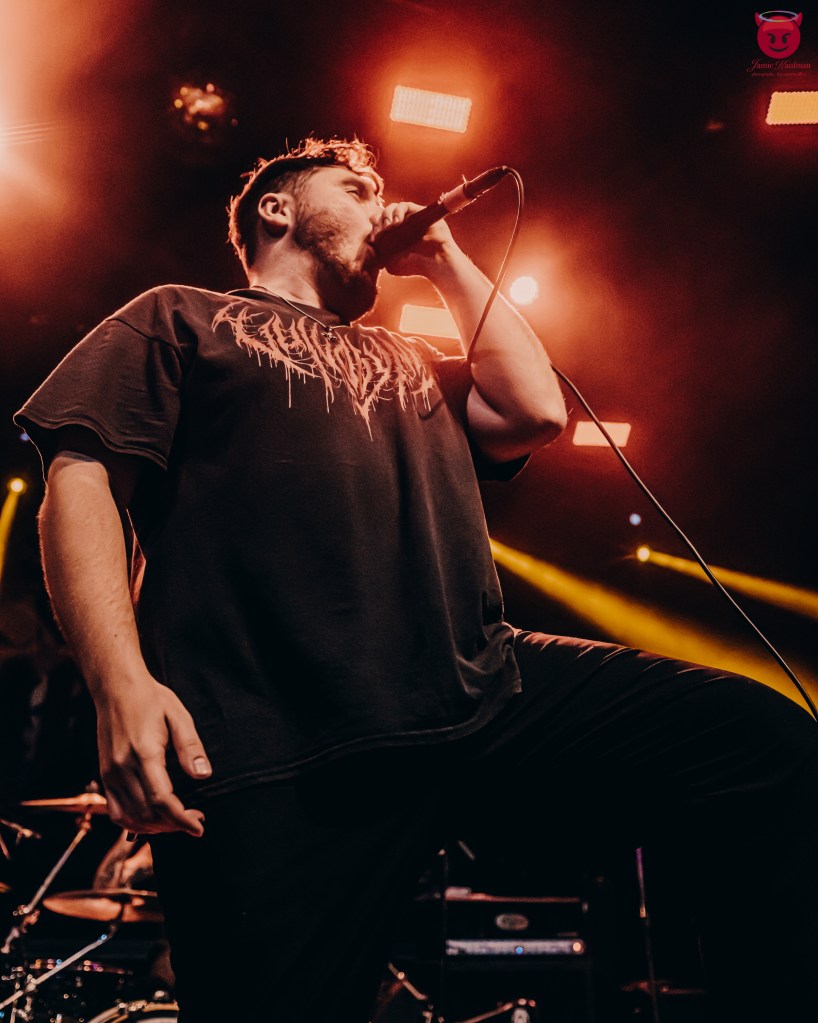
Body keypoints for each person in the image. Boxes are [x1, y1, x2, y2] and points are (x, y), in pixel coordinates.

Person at [14, 137, 818, 1023]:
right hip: (275, 739)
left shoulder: (411, 361)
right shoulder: (179, 316)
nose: (379, 203)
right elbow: (79, 481)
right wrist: (120, 683)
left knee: (764, 747)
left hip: (475, 689)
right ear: (278, 208)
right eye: (355, 188)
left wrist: (441, 255)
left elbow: (533, 410)